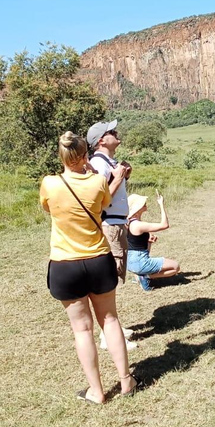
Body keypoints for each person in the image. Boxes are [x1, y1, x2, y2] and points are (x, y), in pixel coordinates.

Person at [39, 131, 141, 404]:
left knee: (82, 330)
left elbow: (48, 209)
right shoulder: (97, 182)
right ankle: (126, 380)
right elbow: (104, 203)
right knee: (110, 320)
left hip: (64, 264)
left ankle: (96, 391)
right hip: (98, 260)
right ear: (86, 155)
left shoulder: (49, 183)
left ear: (61, 156)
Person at [86, 119, 137, 351]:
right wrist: (117, 178)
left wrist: (123, 175)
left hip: (117, 224)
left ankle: (113, 327)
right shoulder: (99, 163)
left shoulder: (108, 162)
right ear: (101, 141)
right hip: (110, 225)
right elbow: (100, 199)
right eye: (111, 131)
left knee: (114, 278)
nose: (116, 133)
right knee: (110, 278)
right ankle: (109, 334)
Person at [126, 191, 181, 291]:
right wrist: (161, 205)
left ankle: (140, 274)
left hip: (131, 262)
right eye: (142, 203)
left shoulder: (129, 223)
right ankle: (145, 276)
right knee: (175, 267)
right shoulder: (138, 225)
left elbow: (137, 246)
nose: (145, 203)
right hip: (139, 261)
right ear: (137, 209)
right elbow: (164, 225)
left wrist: (149, 241)